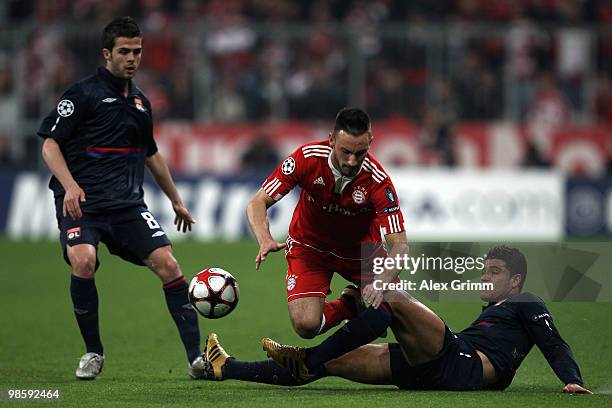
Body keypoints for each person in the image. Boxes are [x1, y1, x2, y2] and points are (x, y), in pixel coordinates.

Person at [38, 17, 205, 380]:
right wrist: (69, 185)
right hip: (83, 205)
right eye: (125, 51)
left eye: (138, 51)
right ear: (107, 54)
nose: (132, 58)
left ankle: (196, 360)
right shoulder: (81, 95)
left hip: (127, 207)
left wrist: (176, 199)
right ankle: (93, 353)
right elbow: (50, 144)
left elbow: (152, 154)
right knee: (82, 260)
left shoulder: (142, 104)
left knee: (170, 265)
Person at [198, 246, 591, 394]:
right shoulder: (496, 310)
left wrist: (573, 379)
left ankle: (310, 355)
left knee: (390, 294)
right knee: (329, 365)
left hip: (464, 366)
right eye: (484, 270)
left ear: (516, 280)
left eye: (494, 272)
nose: (484, 277)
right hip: (431, 366)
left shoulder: (525, 301)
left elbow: (553, 342)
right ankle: (226, 368)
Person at [246, 107, 409, 340]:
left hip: (360, 253)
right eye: (345, 151)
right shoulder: (306, 159)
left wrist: (380, 282)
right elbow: (257, 203)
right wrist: (265, 239)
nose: (352, 161)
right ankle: (350, 304)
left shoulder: (378, 182)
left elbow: (400, 246)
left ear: (371, 141)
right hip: (310, 246)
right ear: (332, 140)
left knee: (398, 309)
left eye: (360, 153)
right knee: (306, 325)